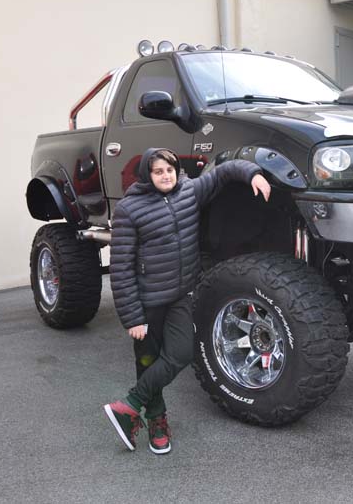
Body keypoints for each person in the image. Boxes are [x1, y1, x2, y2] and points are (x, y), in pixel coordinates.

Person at [103, 148, 270, 454]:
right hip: (147, 302)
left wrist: (253, 174)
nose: (166, 176)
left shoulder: (188, 191)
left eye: (169, 170)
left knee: (182, 352)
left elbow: (223, 171)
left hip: (181, 294)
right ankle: (157, 422)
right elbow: (121, 267)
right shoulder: (129, 209)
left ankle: (130, 404)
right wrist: (132, 317)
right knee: (147, 361)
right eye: (158, 171)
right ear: (147, 175)